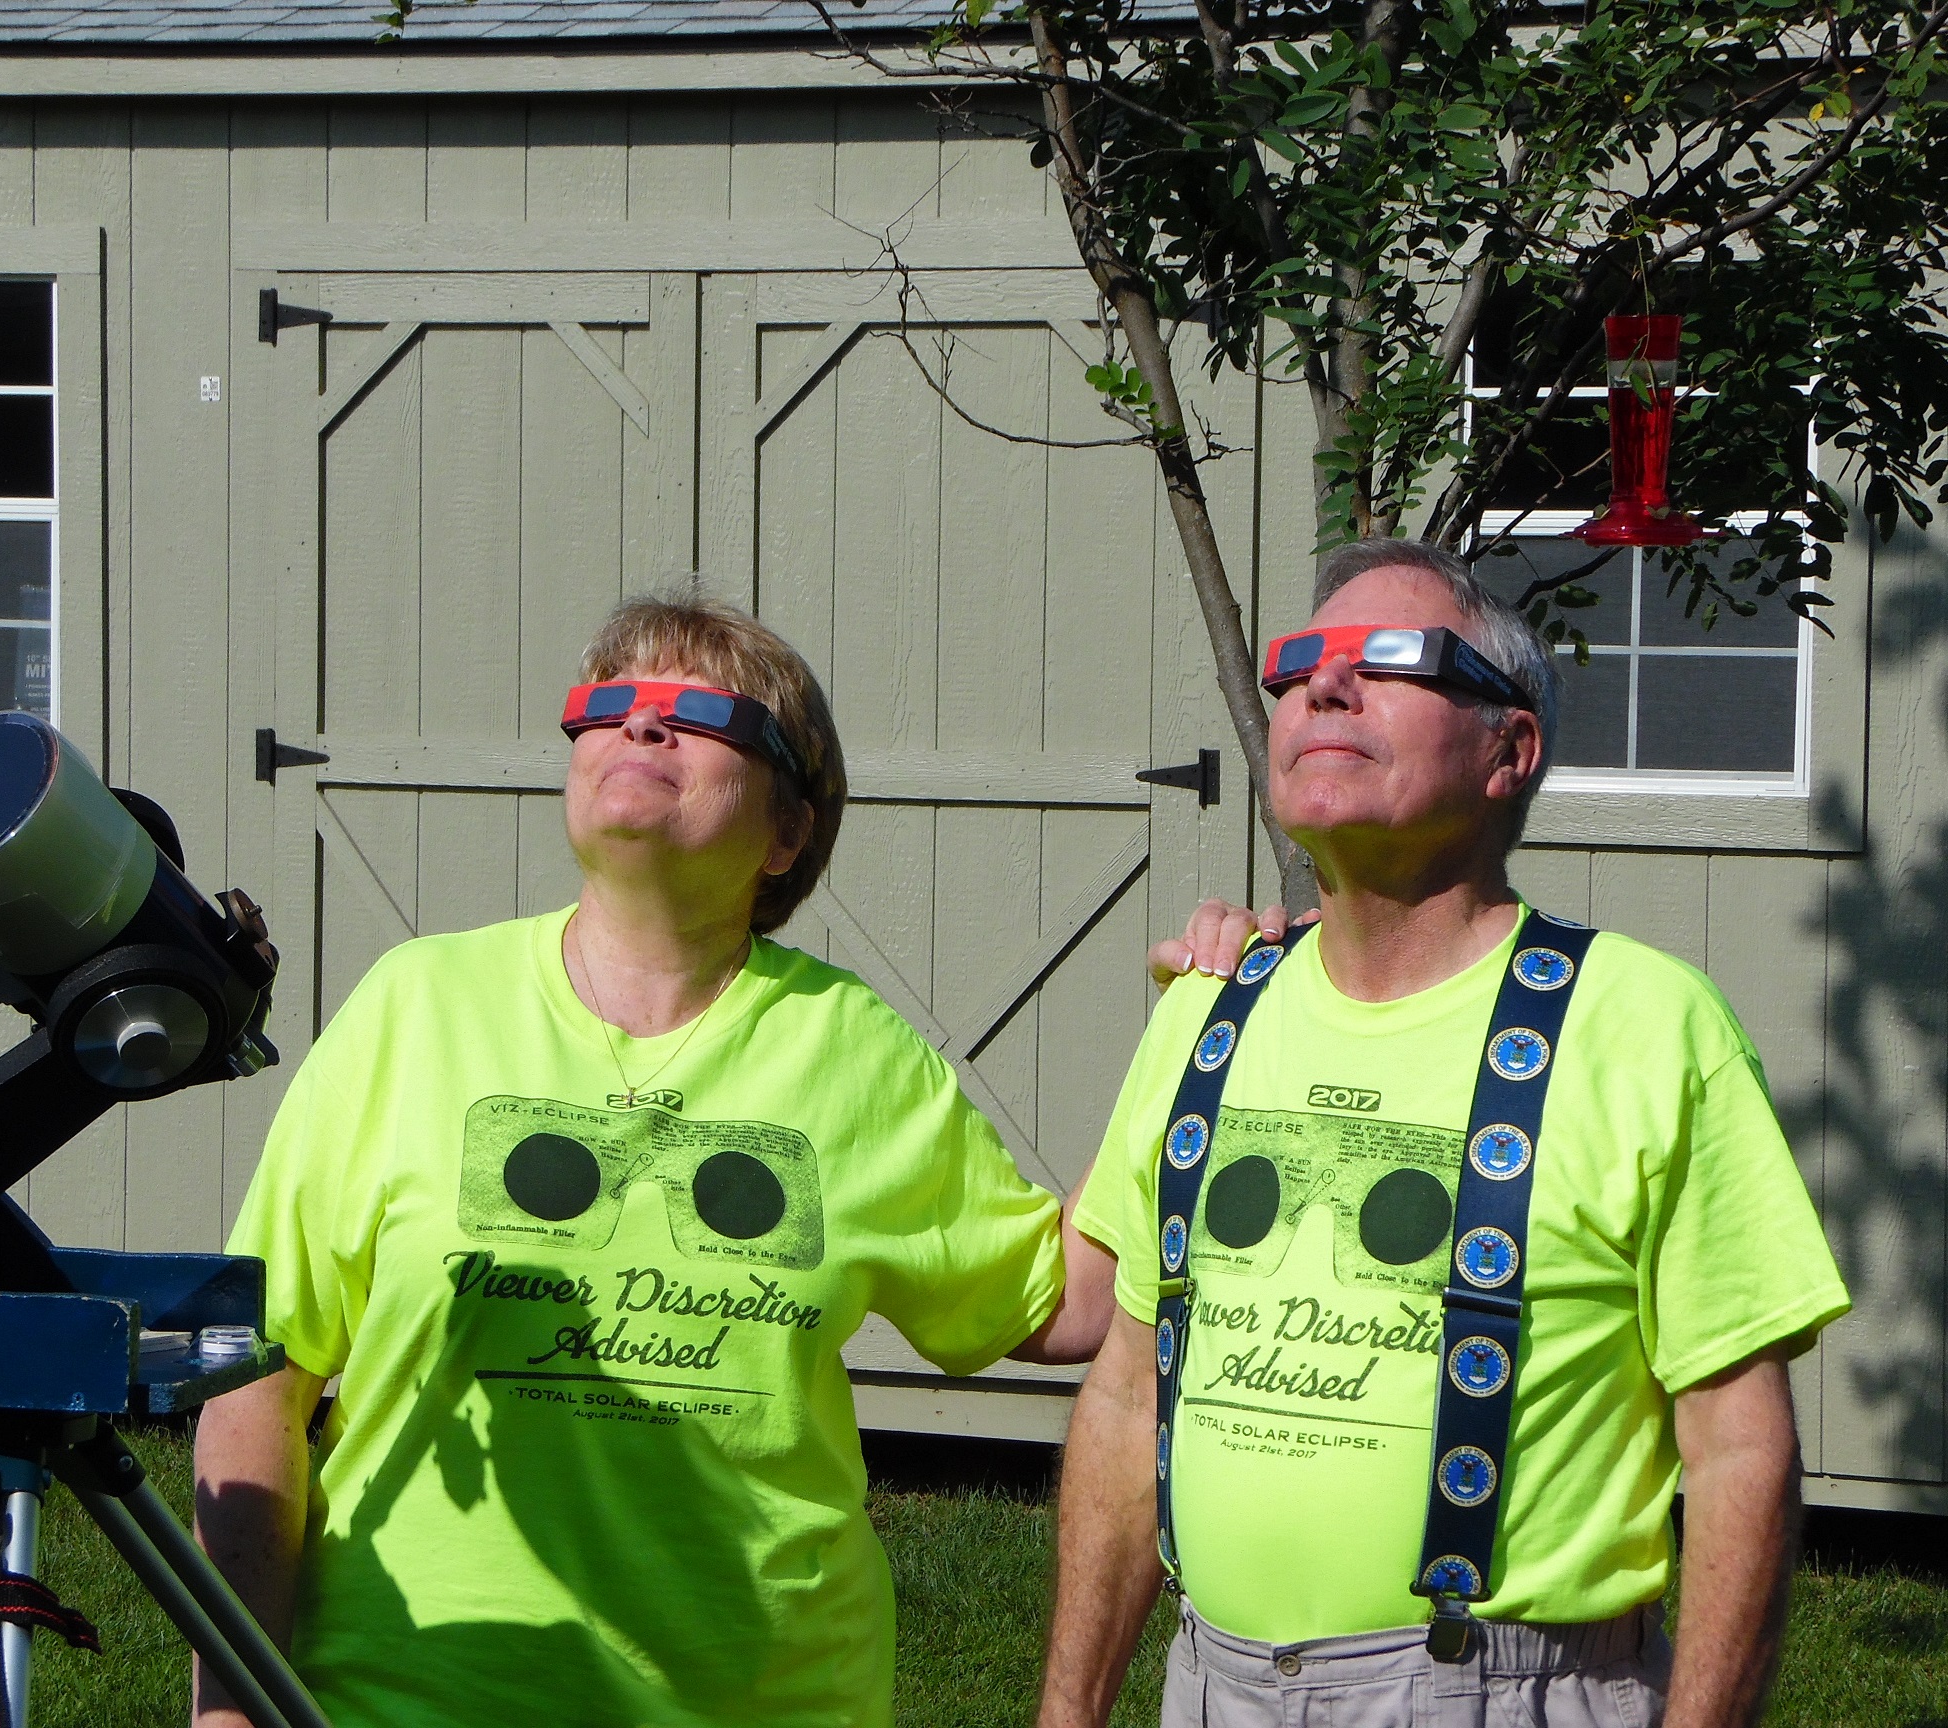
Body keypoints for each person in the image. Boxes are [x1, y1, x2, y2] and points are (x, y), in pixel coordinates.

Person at [194, 589, 1112, 1728]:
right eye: (611, 703)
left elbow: (1062, 1302)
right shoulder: (415, 1006)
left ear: (788, 831)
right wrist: (232, 1701)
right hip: (411, 1692)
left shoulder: (855, 1052)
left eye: (702, 713)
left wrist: (1209, 1034)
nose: (640, 722)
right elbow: (259, 1374)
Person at [1041, 539, 1848, 1728]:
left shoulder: (1648, 1027)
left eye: (1393, 659)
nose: (1325, 684)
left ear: (1507, 750)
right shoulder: (1207, 1014)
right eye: (1301, 663)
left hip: (1506, 1693)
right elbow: (1124, 1398)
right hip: (1211, 1685)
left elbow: (1740, 1447)